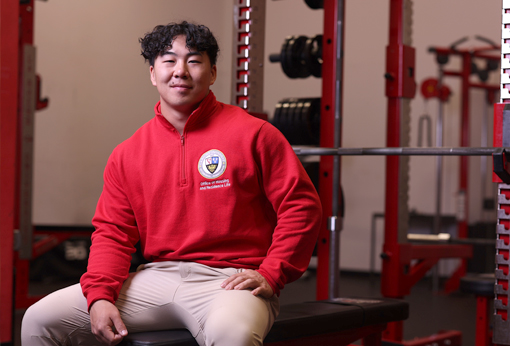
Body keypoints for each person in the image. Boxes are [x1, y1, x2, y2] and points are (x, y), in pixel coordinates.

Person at [21, 21, 322, 346]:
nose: (181, 71)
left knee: (233, 334)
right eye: (169, 60)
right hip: (155, 278)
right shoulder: (128, 153)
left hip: (230, 280)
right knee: (39, 320)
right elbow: (113, 232)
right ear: (153, 73)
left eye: (193, 60)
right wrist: (100, 296)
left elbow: (301, 207)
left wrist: (271, 272)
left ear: (213, 72)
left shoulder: (256, 134)